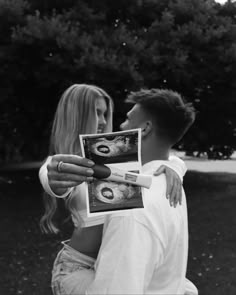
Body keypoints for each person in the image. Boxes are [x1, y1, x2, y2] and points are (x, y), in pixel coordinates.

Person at [39, 84, 188, 295]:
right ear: (77, 114)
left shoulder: (117, 156)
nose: (102, 121)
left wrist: (175, 166)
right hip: (79, 265)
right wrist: (53, 179)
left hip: (114, 260)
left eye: (105, 113)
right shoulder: (62, 162)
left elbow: (164, 152)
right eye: (96, 113)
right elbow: (50, 175)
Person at [84, 88, 198, 294]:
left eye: (128, 120)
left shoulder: (131, 208)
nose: (121, 126)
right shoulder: (169, 184)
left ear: (145, 128)